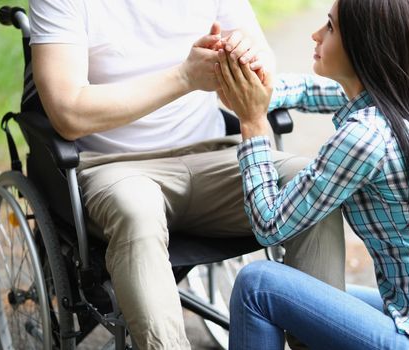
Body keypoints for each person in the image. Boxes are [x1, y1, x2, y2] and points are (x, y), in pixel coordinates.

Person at [28, 0, 347, 348]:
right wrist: (184, 77)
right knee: (136, 212)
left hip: (213, 154)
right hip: (117, 166)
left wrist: (244, 60)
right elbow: (68, 112)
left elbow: (264, 71)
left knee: (310, 184)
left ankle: (322, 342)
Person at [215, 0, 409, 349]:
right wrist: (249, 87)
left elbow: (270, 224)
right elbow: (307, 91)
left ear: (364, 45)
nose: (315, 34)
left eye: (330, 27)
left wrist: (252, 121)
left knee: (258, 285)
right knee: (319, 289)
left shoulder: (368, 136)